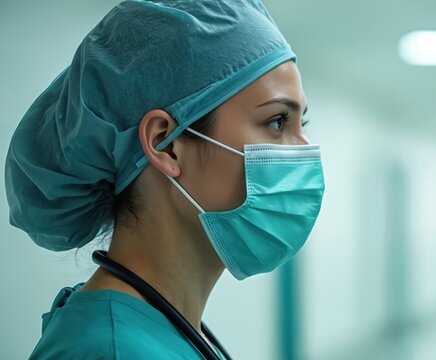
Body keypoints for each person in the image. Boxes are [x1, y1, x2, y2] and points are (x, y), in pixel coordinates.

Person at [4, 0, 325, 358]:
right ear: (165, 145)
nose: (304, 149)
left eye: (303, 124)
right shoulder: (110, 351)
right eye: (278, 121)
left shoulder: (162, 326)